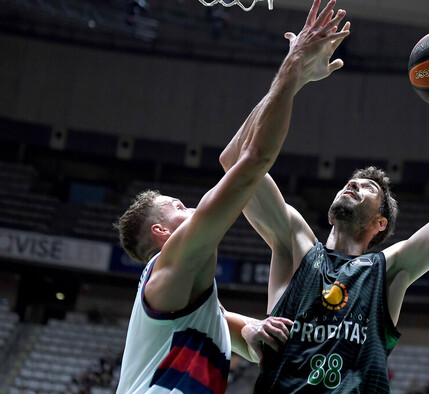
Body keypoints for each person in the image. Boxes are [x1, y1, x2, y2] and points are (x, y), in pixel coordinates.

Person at [220, 45, 429, 391]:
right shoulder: (296, 244)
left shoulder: (389, 270)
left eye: (368, 188)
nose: (353, 183)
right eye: (352, 181)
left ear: (380, 223)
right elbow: (235, 161)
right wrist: (292, 77)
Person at [114, 1, 350, 392]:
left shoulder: (184, 293)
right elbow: (253, 159)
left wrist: (253, 330)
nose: (190, 206)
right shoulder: (172, 260)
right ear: (160, 232)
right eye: (177, 206)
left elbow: (220, 321)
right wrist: (292, 69)